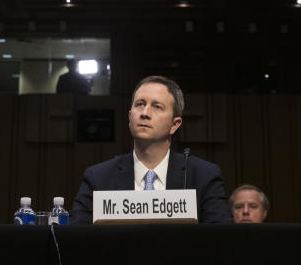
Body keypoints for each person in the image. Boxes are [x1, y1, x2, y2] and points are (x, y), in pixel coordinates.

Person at [70, 75, 232, 224]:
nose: (145, 113)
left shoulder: (203, 176)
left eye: (157, 107)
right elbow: (75, 239)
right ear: (129, 117)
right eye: (140, 104)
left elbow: (220, 241)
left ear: (174, 125)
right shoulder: (98, 177)